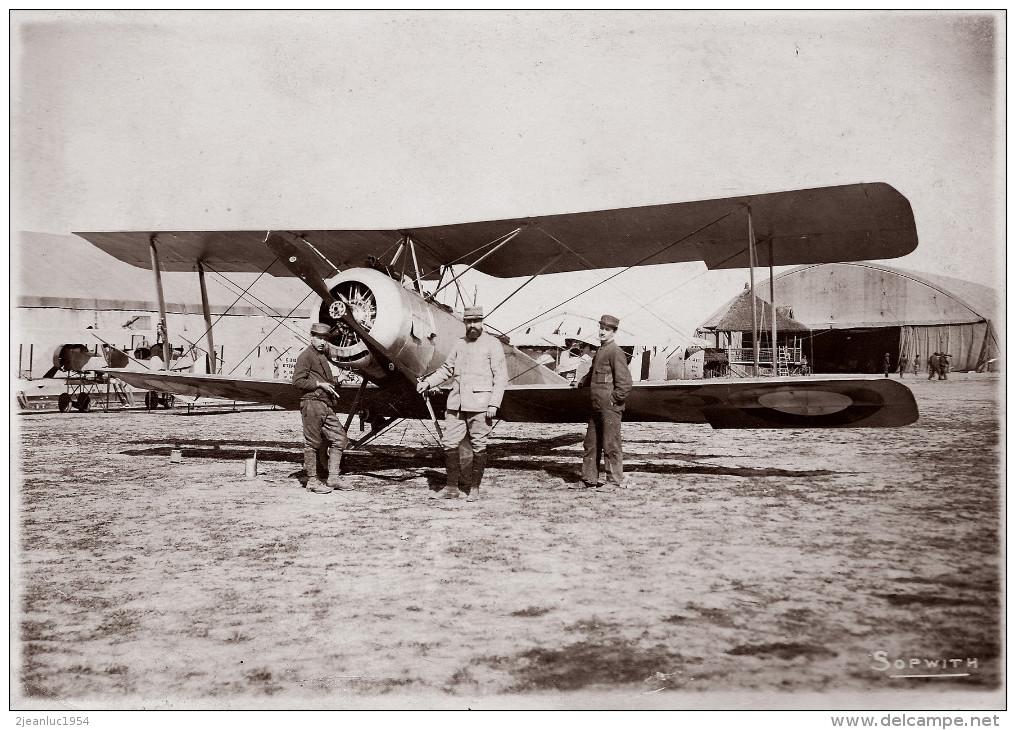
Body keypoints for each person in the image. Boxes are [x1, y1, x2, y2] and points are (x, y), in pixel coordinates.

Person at [417, 306, 508, 502]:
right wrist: (427, 382)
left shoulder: (493, 344)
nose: (472, 325)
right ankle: (451, 488)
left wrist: (494, 404)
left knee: (478, 445)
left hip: (481, 406)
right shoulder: (459, 344)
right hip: (456, 404)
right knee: (449, 443)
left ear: (482, 322)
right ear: (465, 323)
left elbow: (501, 377)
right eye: (469, 322)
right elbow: (447, 369)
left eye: (476, 321)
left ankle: (474, 488)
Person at [572, 314, 633, 492]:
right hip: (595, 406)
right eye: (601, 328)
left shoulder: (615, 351)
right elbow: (593, 372)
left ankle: (614, 481)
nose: (602, 332)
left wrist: (614, 399)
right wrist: (581, 382)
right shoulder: (600, 351)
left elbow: (625, 383)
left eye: (607, 329)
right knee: (591, 443)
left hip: (609, 407)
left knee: (610, 444)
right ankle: (589, 479)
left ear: (614, 332)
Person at [292, 322, 350, 494]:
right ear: (311, 337)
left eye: (325, 338)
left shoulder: (321, 356)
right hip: (312, 403)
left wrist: (337, 381)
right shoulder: (306, 356)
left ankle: (333, 478)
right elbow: (297, 381)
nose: (322, 341)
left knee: (340, 438)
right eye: (318, 337)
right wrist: (319, 384)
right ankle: (312, 481)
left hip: (325, 404)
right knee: (312, 443)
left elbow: (325, 383)